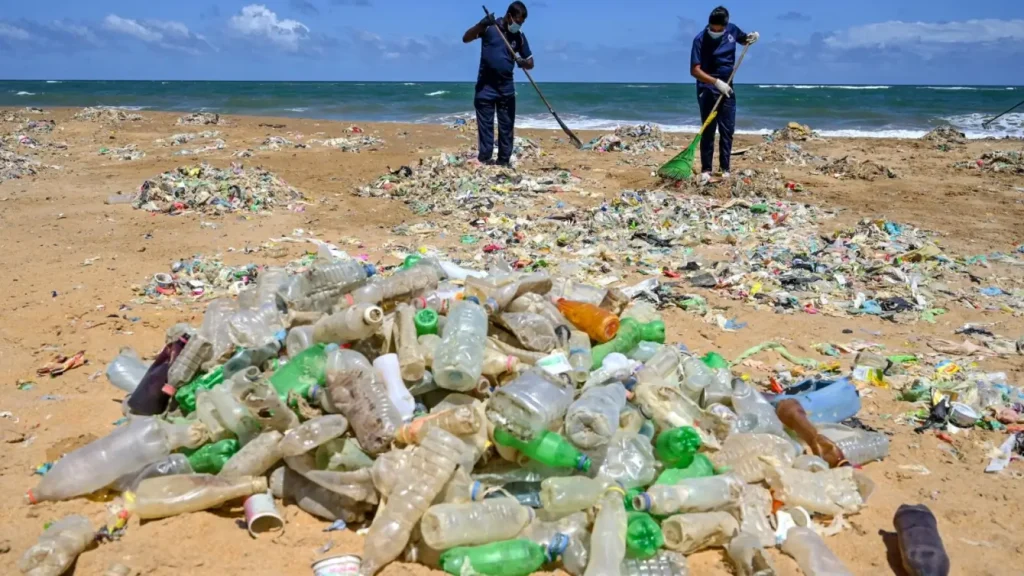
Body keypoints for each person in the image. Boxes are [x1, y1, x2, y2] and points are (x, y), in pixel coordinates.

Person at [690, 6, 758, 178]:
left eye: (718, 29)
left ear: (725, 26)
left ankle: (724, 169)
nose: (714, 31)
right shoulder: (700, 39)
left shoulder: (732, 30)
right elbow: (695, 70)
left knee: (727, 129)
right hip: (707, 87)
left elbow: (744, 39)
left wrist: (751, 38)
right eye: (712, 28)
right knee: (708, 130)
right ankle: (706, 170)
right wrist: (715, 82)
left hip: (728, 86)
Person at [463, 1, 534, 166]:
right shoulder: (490, 28)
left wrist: (523, 62)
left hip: (506, 88)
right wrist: (481, 24)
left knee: (506, 127)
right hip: (485, 87)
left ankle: (503, 161)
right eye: (517, 21)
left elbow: (531, 62)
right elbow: (466, 38)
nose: (519, 25)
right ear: (509, 16)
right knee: (485, 127)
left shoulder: (519, 37)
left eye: (522, 23)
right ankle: (484, 158)